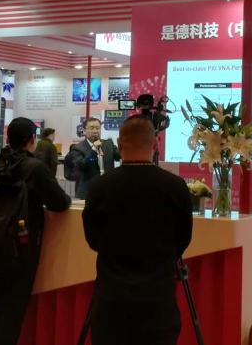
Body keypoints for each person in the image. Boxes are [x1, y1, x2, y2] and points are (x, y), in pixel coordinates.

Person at [82, 116, 193, 345]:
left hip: (111, 299)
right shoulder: (175, 186)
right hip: (158, 300)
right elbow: (183, 238)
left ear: (119, 144)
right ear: (155, 144)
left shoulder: (100, 186)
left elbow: (92, 238)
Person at [0, 118, 71, 345]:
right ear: (32, 139)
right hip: (20, 246)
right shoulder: (34, 167)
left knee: (2, 308)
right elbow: (60, 202)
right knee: (10, 314)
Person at [70, 118, 120, 199]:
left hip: (108, 189)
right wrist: (93, 150)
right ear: (84, 131)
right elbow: (82, 166)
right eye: (91, 128)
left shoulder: (108, 144)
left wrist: (123, 146)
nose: (95, 131)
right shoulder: (77, 148)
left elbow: (119, 157)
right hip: (88, 191)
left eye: (97, 128)